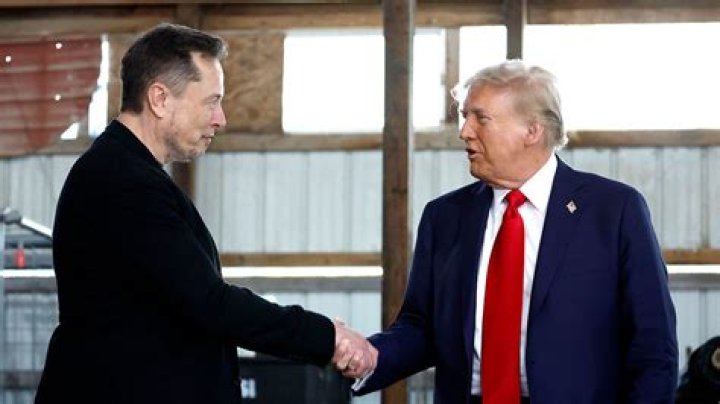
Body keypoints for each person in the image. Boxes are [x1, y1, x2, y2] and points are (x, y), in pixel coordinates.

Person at [35, 23, 373, 404]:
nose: (220, 119)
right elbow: (211, 304)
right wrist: (326, 337)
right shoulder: (122, 181)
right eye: (211, 102)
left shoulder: (127, 173)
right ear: (160, 99)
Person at [350, 60, 678, 403]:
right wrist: (369, 356)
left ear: (532, 131)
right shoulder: (444, 217)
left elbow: (653, 347)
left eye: (481, 118)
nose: (465, 131)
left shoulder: (614, 210)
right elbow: (421, 328)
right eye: (464, 116)